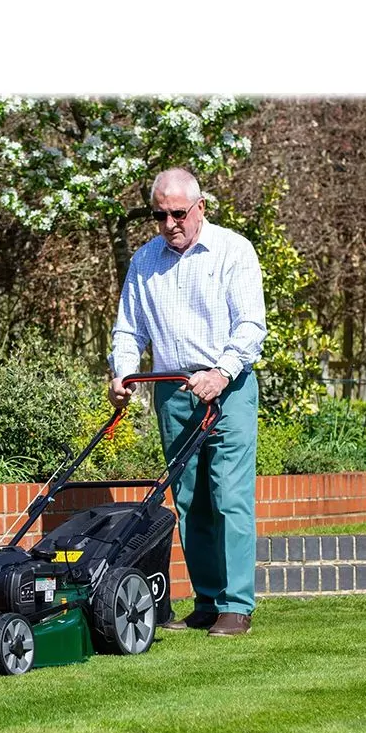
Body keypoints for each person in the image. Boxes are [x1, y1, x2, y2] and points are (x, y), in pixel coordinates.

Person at [108, 168, 267, 636]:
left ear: (200, 207)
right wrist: (123, 374)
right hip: (173, 391)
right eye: (160, 215)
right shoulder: (145, 261)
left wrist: (221, 373)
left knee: (229, 497)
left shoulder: (233, 251)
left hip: (228, 388)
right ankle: (207, 601)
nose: (170, 223)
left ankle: (236, 606)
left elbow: (250, 326)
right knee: (190, 500)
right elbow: (129, 330)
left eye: (178, 213)